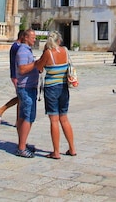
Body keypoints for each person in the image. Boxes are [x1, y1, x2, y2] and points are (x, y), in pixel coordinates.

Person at [32, 31, 77, 159]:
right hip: (64, 87)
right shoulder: (65, 51)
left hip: (51, 88)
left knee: (54, 120)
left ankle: (56, 152)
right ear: (59, 40)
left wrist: (43, 55)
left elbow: (39, 68)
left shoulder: (48, 53)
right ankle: (72, 148)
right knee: (64, 118)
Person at [12, 29, 41, 158]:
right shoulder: (23, 51)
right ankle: (21, 148)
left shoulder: (26, 50)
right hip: (26, 88)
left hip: (28, 87)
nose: (34, 39)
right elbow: (23, 69)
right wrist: (36, 64)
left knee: (24, 116)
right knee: (28, 116)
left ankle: (22, 143)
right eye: (32, 37)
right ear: (25, 38)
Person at [0, 30, 26, 125]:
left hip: (16, 74)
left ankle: (17, 120)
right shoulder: (17, 47)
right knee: (21, 97)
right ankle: (1, 110)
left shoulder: (17, 46)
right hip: (16, 75)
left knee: (21, 98)